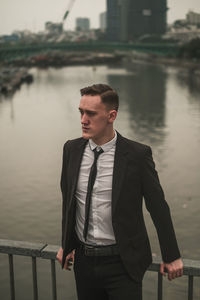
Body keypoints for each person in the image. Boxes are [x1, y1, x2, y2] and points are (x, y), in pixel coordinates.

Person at [57, 84, 183, 300]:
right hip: (84, 263)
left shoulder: (137, 155)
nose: (83, 120)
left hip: (123, 265)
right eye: (81, 112)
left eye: (91, 113)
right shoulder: (71, 149)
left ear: (111, 115)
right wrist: (66, 244)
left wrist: (171, 256)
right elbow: (69, 201)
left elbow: (158, 206)